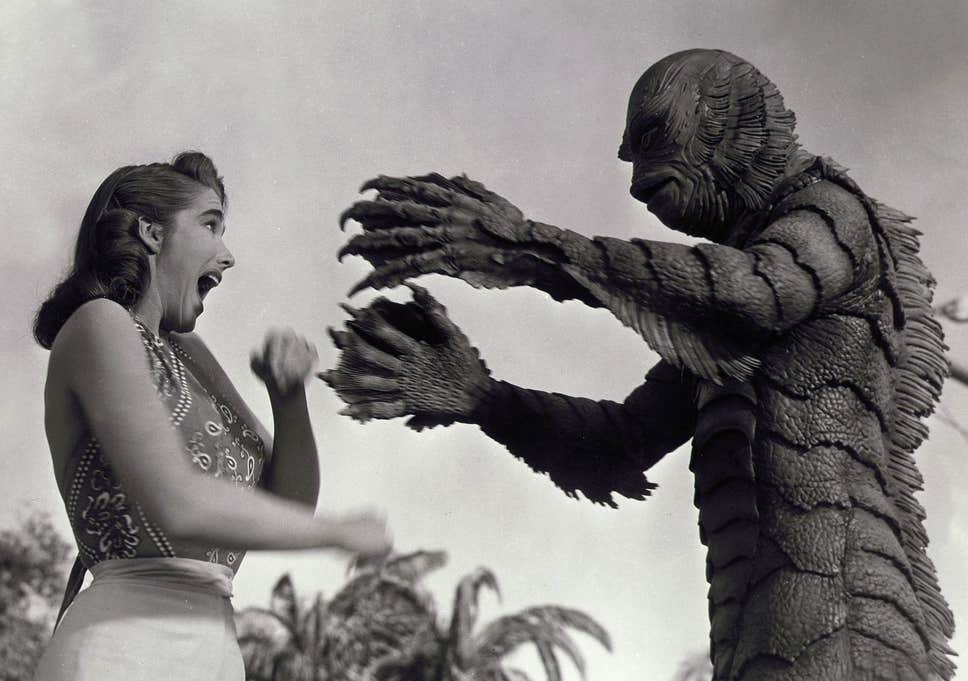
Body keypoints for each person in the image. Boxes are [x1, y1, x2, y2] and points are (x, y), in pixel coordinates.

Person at [31, 151, 392, 681]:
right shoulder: (99, 324)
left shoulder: (187, 352)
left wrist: (289, 399)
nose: (227, 256)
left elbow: (286, 505)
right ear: (152, 233)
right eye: (210, 225)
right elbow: (177, 504)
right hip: (123, 648)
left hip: (214, 652)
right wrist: (337, 532)